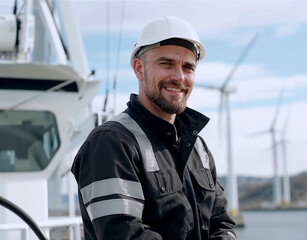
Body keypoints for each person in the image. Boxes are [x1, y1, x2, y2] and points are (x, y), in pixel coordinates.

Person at [71, 16, 237, 240]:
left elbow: (221, 222)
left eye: (188, 67)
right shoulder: (112, 143)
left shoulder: (197, 146)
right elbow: (121, 233)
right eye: (166, 63)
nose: (179, 77)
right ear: (139, 69)